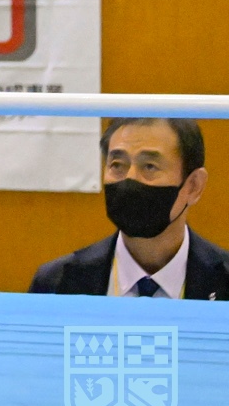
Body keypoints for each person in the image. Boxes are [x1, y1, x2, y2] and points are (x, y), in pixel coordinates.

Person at [31, 118, 222, 299]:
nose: (130, 178)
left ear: (194, 186)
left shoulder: (224, 281)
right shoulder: (58, 283)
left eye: (149, 166)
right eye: (117, 165)